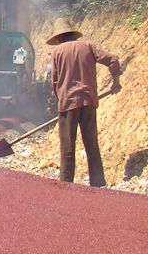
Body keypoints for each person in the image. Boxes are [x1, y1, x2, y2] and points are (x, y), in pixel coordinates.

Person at [47, 17, 122, 188]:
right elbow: (113, 60)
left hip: (68, 104)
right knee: (91, 144)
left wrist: (61, 101)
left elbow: (55, 82)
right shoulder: (88, 46)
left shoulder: (57, 52)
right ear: (73, 34)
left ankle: (66, 185)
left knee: (67, 149)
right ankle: (97, 183)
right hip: (88, 101)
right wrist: (115, 81)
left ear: (58, 37)